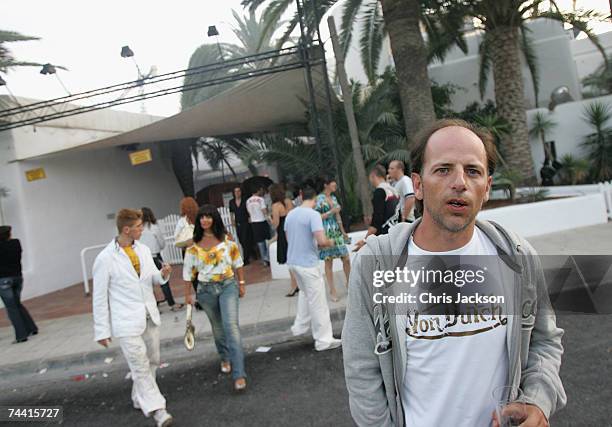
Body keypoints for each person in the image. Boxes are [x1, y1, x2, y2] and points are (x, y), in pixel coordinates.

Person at [343, 119, 566, 427]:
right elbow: (361, 370)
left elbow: (544, 341)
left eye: (473, 171)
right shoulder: (377, 264)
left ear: (487, 187)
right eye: (444, 169)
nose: (459, 182)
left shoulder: (517, 258)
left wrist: (538, 400)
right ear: (418, 185)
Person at [92, 209, 174, 427]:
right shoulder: (105, 258)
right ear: (126, 229)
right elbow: (99, 298)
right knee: (139, 364)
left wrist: (163, 275)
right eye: (138, 226)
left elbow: (151, 279)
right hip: (125, 321)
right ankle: (159, 410)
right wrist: (102, 330)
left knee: (153, 360)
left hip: (149, 315)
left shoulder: (144, 250)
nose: (142, 229)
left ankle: (140, 397)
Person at [183, 205, 248, 392]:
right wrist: (188, 294)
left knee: (231, 327)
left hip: (228, 285)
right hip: (205, 291)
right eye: (202, 217)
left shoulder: (226, 241)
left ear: (215, 219)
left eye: (208, 217)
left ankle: (239, 373)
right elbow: (188, 273)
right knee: (218, 329)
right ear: (198, 221)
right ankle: (225, 357)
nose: (205, 220)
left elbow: (238, 262)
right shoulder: (193, 247)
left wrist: (241, 283)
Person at [284, 186, 342, 352]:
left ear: (301, 196)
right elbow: (322, 241)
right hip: (308, 264)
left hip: (293, 262)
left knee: (304, 293)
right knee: (318, 303)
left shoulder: (291, 215)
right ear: (315, 200)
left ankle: (300, 327)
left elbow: (289, 239)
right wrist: (332, 242)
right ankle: (324, 340)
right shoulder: (313, 215)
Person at [0, 225, 38, 344]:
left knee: (11, 308)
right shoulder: (16, 243)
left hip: (3, 280)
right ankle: (32, 328)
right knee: (17, 304)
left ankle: (21, 335)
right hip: (17, 278)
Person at [315, 178, 351, 302]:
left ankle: (349, 284)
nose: (335, 185)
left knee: (346, 258)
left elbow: (338, 215)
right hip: (325, 231)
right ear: (326, 185)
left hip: (336, 231)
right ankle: (332, 290)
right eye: (333, 183)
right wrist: (331, 211)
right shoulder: (319, 199)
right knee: (328, 261)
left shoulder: (334, 198)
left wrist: (343, 232)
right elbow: (316, 217)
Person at [140, 207, 182, 312]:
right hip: (155, 256)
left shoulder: (138, 230)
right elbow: (162, 244)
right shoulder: (154, 228)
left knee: (146, 283)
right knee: (163, 280)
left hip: (142, 259)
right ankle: (172, 304)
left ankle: (152, 307)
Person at [353, 164, 400, 251]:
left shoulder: (379, 191)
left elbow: (377, 220)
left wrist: (365, 240)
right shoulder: (393, 190)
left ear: (373, 176)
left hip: (384, 238)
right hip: (397, 234)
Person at [269, 184, 299, 297]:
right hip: (293, 231)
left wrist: (269, 219)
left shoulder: (275, 206)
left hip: (283, 233)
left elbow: (275, 223)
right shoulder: (288, 201)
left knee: (289, 260)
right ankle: (297, 284)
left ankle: (294, 285)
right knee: (295, 258)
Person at [174, 197, 201, 310]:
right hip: (201, 249)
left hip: (188, 250)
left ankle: (199, 298)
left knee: (192, 275)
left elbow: (176, 237)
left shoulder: (182, 221)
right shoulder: (200, 217)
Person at [229, 186, 254, 265]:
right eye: (235, 191)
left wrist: (250, 217)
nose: (237, 193)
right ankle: (252, 252)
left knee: (246, 239)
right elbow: (231, 212)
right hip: (238, 222)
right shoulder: (231, 202)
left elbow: (249, 209)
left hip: (246, 221)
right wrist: (232, 220)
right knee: (241, 240)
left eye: (239, 191)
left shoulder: (245, 200)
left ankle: (246, 259)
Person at [246, 186, 270, 266]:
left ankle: (264, 260)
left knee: (260, 242)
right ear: (258, 191)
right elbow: (264, 211)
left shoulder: (248, 201)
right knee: (267, 240)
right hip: (262, 221)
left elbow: (249, 212)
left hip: (254, 222)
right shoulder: (261, 199)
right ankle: (267, 257)